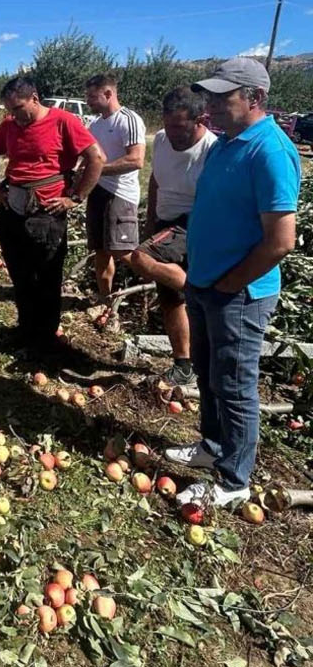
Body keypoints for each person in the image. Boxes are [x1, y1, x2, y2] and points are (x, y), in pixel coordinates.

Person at [164, 57, 300, 507]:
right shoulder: (227, 144)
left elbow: (281, 241)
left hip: (239, 293)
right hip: (205, 282)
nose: (211, 106)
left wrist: (230, 284)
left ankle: (232, 480)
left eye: (223, 97)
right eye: (210, 96)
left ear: (255, 99)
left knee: (235, 386)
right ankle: (212, 446)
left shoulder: (271, 151)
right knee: (207, 374)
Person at [0, 76, 105, 352]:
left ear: (35, 99)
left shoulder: (64, 121)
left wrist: (75, 197)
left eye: (18, 108)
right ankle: (26, 329)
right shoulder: (9, 125)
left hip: (46, 213)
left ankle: (45, 339)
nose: (13, 115)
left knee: (47, 276)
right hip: (12, 207)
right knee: (20, 273)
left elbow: (96, 158)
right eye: (9, 110)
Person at [119, 87, 216, 389]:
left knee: (140, 257)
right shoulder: (161, 139)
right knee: (171, 299)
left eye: (179, 126)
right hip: (165, 222)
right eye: (167, 123)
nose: (171, 132)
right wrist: (150, 221)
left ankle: (209, 297)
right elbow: (156, 180)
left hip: (195, 222)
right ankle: (184, 364)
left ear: (202, 120)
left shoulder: (213, 150)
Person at [83, 74, 146, 301]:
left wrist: (96, 170)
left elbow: (136, 160)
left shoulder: (128, 119)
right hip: (98, 192)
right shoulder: (96, 124)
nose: (88, 101)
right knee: (101, 251)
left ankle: (160, 280)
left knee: (122, 251)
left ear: (108, 94)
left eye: (92, 96)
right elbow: (90, 157)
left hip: (120, 195)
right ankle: (105, 300)